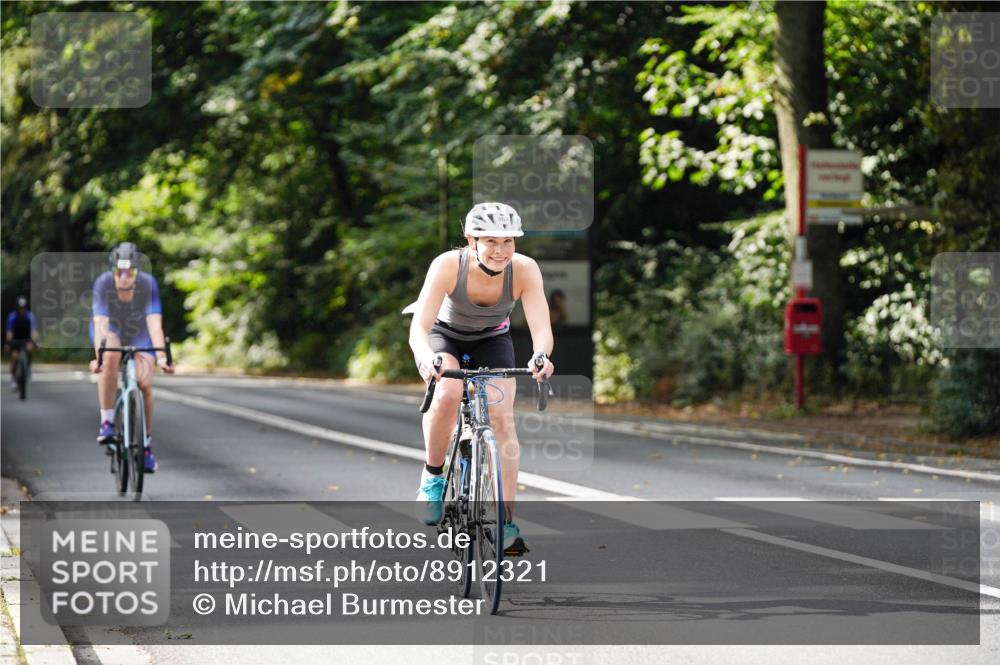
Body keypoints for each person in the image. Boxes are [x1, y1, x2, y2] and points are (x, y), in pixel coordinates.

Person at [408, 202, 555, 556]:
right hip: (445, 336)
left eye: (508, 241)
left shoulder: (524, 270)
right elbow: (419, 328)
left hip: (493, 339)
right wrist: (427, 359)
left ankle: (505, 522)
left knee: (502, 418)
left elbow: (541, 330)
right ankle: (433, 476)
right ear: (471, 239)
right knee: (447, 392)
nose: (501, 250)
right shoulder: (448, 264)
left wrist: (541, 357)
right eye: (491, 241)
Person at [89, 242, 174, 472]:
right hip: (111, 329)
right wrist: (99, 357)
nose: (124, 278)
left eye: (130, 272)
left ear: (137, 273)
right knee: (110, 358)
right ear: (113, 272)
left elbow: (155, 325)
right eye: (119, 272)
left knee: (145, 383)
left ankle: (145, 446)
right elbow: (101, 326)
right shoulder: (102, 284)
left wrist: (162, 357)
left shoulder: (148, 284)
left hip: (140, 332)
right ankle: (106, 421)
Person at [5, 296, 38, 391]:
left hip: (26, 338)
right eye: (20, 308)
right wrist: (8, 343)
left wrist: (35, 341)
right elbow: (9, 332)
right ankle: (13, 379)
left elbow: (34, 331)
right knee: (14, 357)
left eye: (23, 308)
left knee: (30, 349)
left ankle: (28, 366)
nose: (21, 310)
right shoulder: (12, 317)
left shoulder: (30, 316)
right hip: (15, 339)